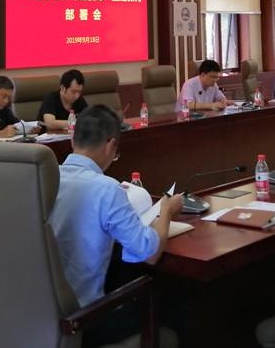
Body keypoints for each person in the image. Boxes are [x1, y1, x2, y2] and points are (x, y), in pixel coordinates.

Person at [49, 105, 183, 346]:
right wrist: (166, 211)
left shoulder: (48, 179)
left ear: (72, 139)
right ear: (110, 145)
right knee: (175, 304)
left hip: (45, 318)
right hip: (85, 319)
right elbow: (149, 253)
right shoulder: (106, 189)